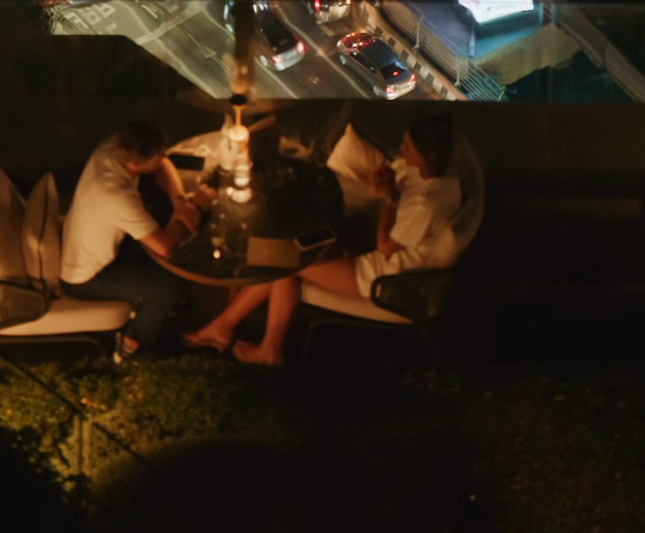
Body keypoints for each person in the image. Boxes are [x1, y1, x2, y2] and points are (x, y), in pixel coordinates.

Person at [184, 113, 461, 366]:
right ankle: (225, 328)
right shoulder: (440, 175)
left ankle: (264, 348)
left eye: (408, 146)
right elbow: (403, 199)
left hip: (381, 277)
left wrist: (390, 199)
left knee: (286, 262)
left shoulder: (426, 205)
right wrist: (389, 185)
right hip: (372, 249)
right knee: (291, 247)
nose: (401, 149)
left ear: (428, 155)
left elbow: (386, 247)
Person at [62, 120, 209, 355]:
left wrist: (180, 202)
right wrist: (196, 209)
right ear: (136, 165)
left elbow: (163, 164)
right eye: (157, 157)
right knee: (169, 287)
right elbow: (164, 246)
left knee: (160, 217)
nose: (163, 159)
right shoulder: (116, 195)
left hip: (99, 245)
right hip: (87, 276)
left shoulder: (113, 148)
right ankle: (134, 343)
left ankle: (163, 305)